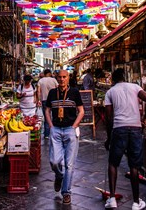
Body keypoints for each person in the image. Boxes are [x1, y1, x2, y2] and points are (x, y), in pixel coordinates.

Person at [104, 68, 146, 210]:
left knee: (113, 163)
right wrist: (144, 117)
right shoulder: (135, 87)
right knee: (134, 166)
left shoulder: (110, 92)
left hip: (119, 129)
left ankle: (112, 199)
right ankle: (136, 202)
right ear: (124, 77)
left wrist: (108, 137)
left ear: (113, 79)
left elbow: (108, 117)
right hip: (135, 128)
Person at [45, 69, 84, 206]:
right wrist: (50, 125)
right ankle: (59, 175)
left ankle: (66, 192)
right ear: (56, 78)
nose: (62, 79)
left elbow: (81, 111)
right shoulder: (52, 93)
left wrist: (74, 126)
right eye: (59, 77)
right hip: (56, 129)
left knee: (69, 164)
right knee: (54, 161)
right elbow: (47, 110)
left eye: (64, 77)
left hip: (70, 130)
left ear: (68, 78)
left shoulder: (74, 92)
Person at [37, 69, 58, 138]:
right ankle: (55, 132)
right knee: (55, 116)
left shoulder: (41, 81)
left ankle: (46, 134)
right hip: (54, 100)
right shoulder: (53, 80)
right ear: (49, 73)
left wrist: (39, 100)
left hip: (44, 100)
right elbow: (58, 88)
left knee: (46, 117)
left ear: (44, 73)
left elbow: (38, 91)